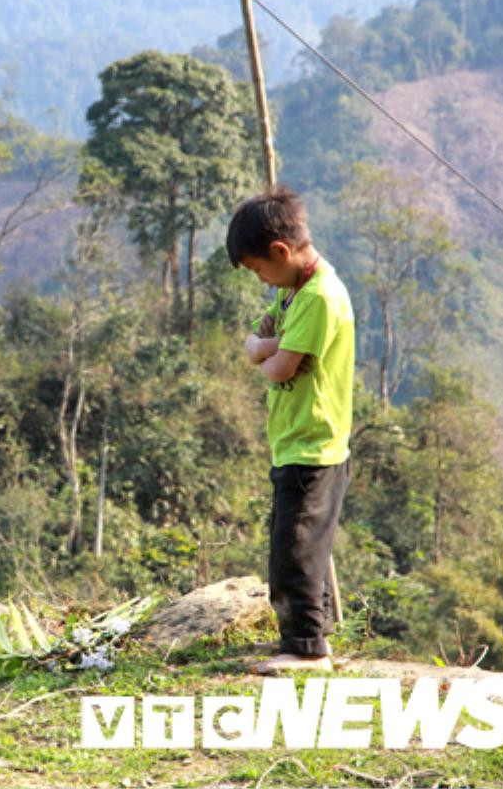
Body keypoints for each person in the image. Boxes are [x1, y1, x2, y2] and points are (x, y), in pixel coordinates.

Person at [227, 187, 354, 674]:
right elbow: (263, 338)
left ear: (280, 251)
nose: (261, 280)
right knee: (296, 546)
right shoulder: (293, 291)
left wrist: (262, 349)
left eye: (259, 268)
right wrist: (268, 344)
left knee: (297, 552)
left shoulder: (321, 296)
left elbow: (276, 366)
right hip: (294, 442)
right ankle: (304, 638)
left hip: (314, 445)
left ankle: (306, 648)